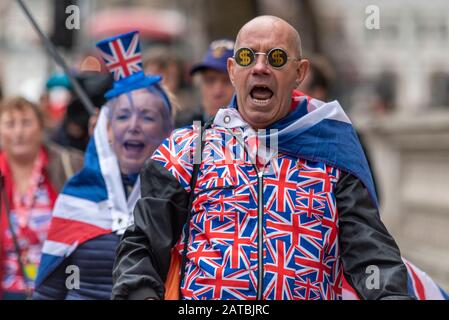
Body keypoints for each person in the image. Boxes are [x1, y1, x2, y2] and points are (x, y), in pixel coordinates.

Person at [112, 16, 411, 300]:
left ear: (299, 73)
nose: (260, 67)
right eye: (246, 57)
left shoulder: (333, 156)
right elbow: (141, 245)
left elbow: (371, 256)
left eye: (276, 58)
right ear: (232, 70)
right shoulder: (188, 150)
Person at [32, 31, 176, 300]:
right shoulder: (78, 195)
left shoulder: (180, 201)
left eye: (146, 116)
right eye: (122, 116)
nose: (133, 126)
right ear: (105, 131)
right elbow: (48, 292)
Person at [0, 97, 83, 300]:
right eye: (10, 124)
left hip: (59, 288)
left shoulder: (68, 165)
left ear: (41, 127)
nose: (18, 133)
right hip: (7, 289)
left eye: (26, 123)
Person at [188, 39, 235, 124]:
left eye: (227, 81)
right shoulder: (181, 129)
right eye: (210, 80)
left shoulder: (256, 132)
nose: (217, 92)